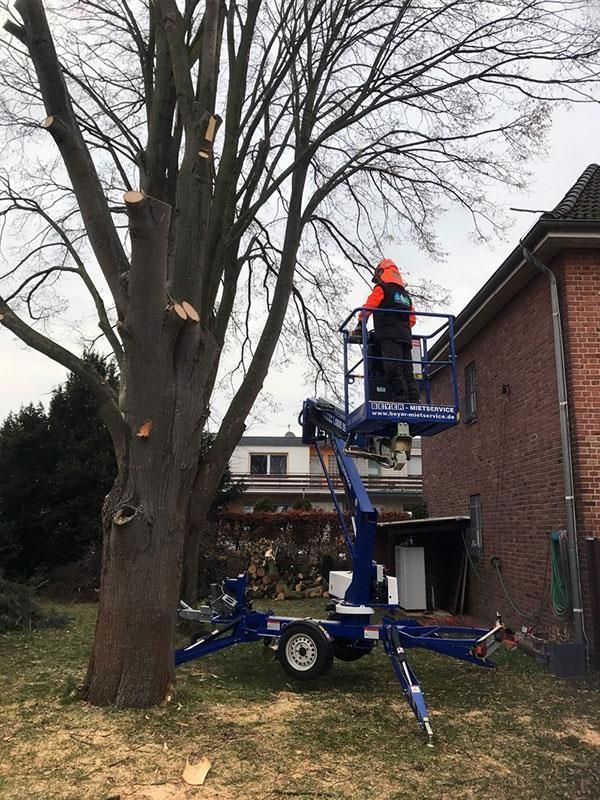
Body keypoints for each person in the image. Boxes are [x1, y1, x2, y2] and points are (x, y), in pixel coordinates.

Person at [352, 258, 420, 404]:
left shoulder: (381, 288)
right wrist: (401, 328)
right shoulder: (405, 296)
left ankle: (401, 400)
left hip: (388, 336)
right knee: (408, 371)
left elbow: (369, 306)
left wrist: (360, 323)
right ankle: (414, 401)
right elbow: (412, 319)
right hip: (405, 338)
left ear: (381, 272)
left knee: (392, 368)